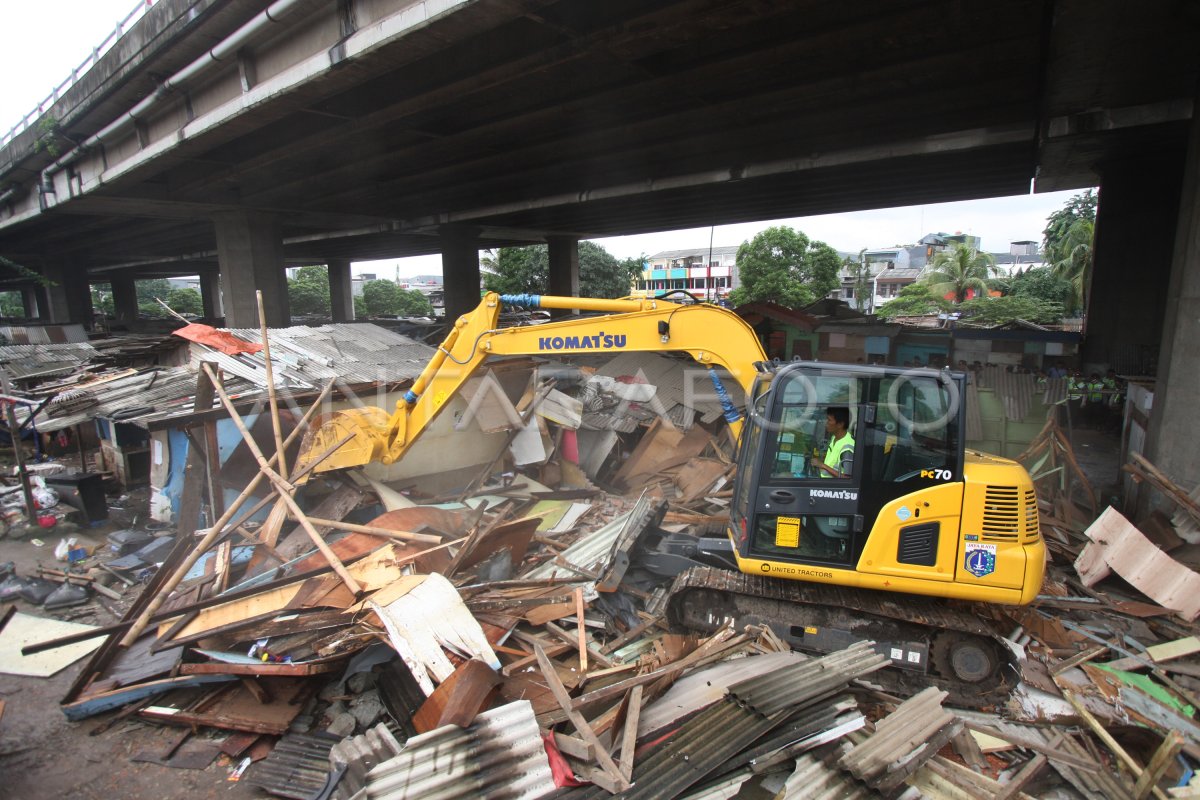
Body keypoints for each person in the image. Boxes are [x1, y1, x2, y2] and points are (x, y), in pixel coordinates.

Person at [818, 406, 854, 479]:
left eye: (829, 420)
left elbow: (847, 478)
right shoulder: (834, 437)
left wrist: (823, 466)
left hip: (834, 488)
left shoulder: (847, 447)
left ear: (840, 424)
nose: (826, 423)